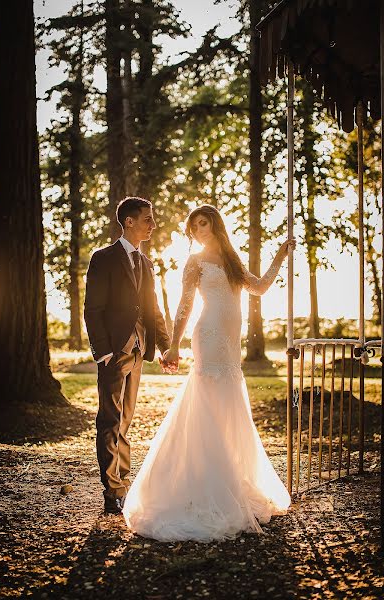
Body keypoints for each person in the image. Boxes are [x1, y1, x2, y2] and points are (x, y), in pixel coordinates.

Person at [123, 204, 295, 541]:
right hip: (209, 335)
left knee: (229, 404)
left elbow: (259, 287)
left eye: (204, 223)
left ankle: (230, 478)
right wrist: (173, 345)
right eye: (194, 227)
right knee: (206, 403)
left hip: (231, 342)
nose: (199, 230)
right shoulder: (195, 262)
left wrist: (280, 254)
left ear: (215, 224)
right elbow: (185, 305)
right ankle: (202, 483)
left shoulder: (231, 260)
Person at [84, 197, 173, 515]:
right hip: (114, 354)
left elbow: (153, 310)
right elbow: (92, 309)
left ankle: (121, 482)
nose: (153, 224)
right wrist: (103, 352)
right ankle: (113, 491)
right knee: (109, 420)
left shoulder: (146, 263)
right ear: (130, 222)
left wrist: (165, 346)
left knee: (125, 421)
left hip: (138, 353)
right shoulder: (104, 258)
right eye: (147, 219)